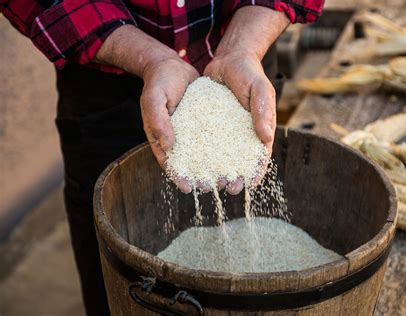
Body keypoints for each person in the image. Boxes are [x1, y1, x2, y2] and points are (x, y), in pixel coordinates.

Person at [1, 1, 324, 314]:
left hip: (244, 65)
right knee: (114, 279)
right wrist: (151, 60)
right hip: (107, 83)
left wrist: (244, 47)